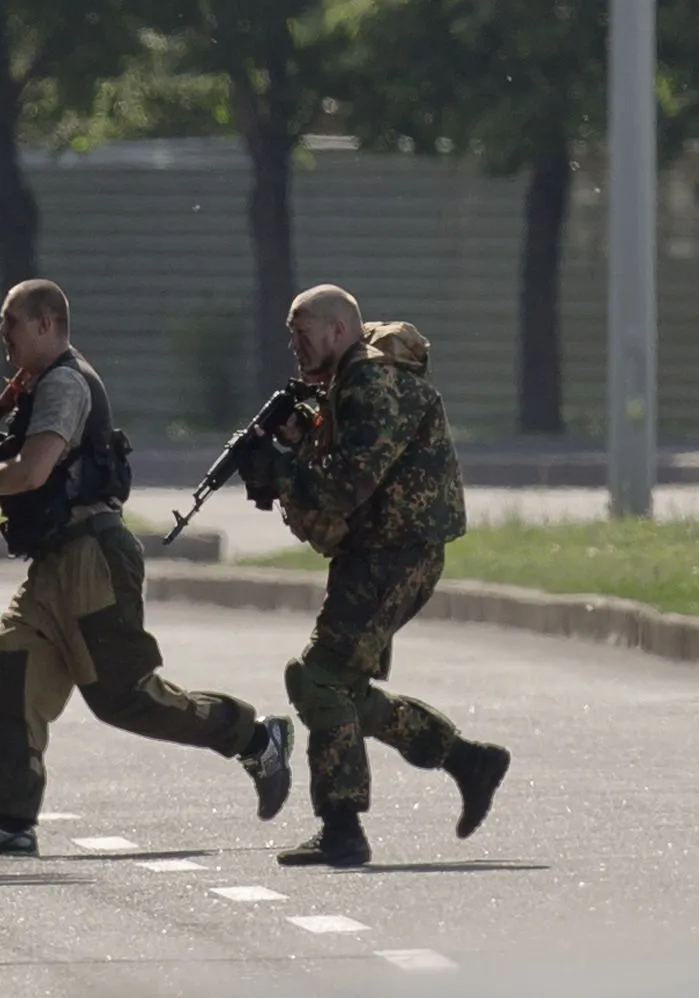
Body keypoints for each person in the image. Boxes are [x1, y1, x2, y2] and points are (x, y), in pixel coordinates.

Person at [0, 278, 294, 857]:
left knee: (125, 698)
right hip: (52, 564)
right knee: (8, 687)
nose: (1, 334)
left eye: (10, 322)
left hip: (93, 559)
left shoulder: (64, 384)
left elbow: (33, 471)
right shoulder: (37, 385)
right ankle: (11, 819)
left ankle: (253, 736)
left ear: (46, 324)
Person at [236, 283, 511, 867]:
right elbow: (338, 470)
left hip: (396, 553)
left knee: (318, 680)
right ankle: (468, 761)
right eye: (290, 335)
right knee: (343, 688)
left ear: (337, 331)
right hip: (377, 552)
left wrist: (280, 471)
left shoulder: (371, 381)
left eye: (302, 333)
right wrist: (292, 448)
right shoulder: (347, 381)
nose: (294, 345)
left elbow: (347, 484)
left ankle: (343, 828)